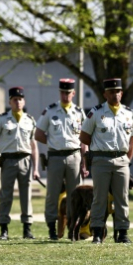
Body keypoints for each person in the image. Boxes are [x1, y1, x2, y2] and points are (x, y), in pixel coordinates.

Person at [79, 78, 133, 244]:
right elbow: (84, 136)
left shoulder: (129, 113)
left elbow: (132, 138)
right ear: (105, 94)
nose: (115, 94)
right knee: (99, 197)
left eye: (117, 91)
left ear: (121, 93)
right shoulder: (96, 112)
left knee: (122, 197)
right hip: (101, 160)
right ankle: (97, 232)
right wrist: (100, 148)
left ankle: (122, 233)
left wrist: (127, 159)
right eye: (111, 92)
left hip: (121, 160)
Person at [34, 78, 88, 240]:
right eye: (62, 93)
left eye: (68, 93)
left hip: (74, 156)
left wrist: (84, 163)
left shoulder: (79, 112)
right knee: (52, 193)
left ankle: (73, 229)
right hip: (56, 156)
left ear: (73, 93)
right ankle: (52, 228)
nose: (65, 96)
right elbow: (38, 134)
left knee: (75, 194)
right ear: (60, 93)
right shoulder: (50, 111)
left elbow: (84, 139)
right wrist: (53, 143)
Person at [0, 86, 40, 240]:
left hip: (25, 160)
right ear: (10, 101)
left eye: (20, 99)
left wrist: (36, 169)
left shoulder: (30, 120)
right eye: (15, 99)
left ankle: (27, 228)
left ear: (24, 101)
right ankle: (4, 229)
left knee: (26, 195)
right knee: (6, 195)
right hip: (8, 161)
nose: (18, 102)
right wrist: (4, 147)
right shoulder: (2, 119)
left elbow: (34, 146)